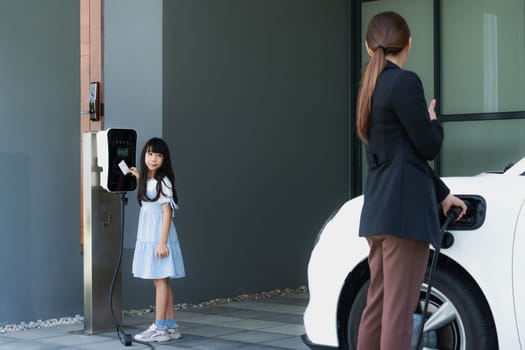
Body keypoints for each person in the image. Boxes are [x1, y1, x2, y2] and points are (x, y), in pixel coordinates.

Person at [355, 11, 467, 350]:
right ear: (409, 44)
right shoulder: (405, 82)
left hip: (378, 214)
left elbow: (401, 157)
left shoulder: (369, 88)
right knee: (399, 312)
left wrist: (442, 193)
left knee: (378, 303)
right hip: (403, 218)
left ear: (367, 46)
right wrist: (432, 121)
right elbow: (427, 146)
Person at [128, 137, 186, 343]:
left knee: (160, 281)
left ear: (165, 159)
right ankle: (170, 325)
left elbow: (167, 213)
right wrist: (137, 176)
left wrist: (162, 243)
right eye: (150, 154)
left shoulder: (164, 182)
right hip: (150, 235)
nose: (153, 159)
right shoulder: (149, 180)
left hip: (158, 237)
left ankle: (160, 327)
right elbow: (148, 191)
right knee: (163, 280)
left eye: (158, 155)